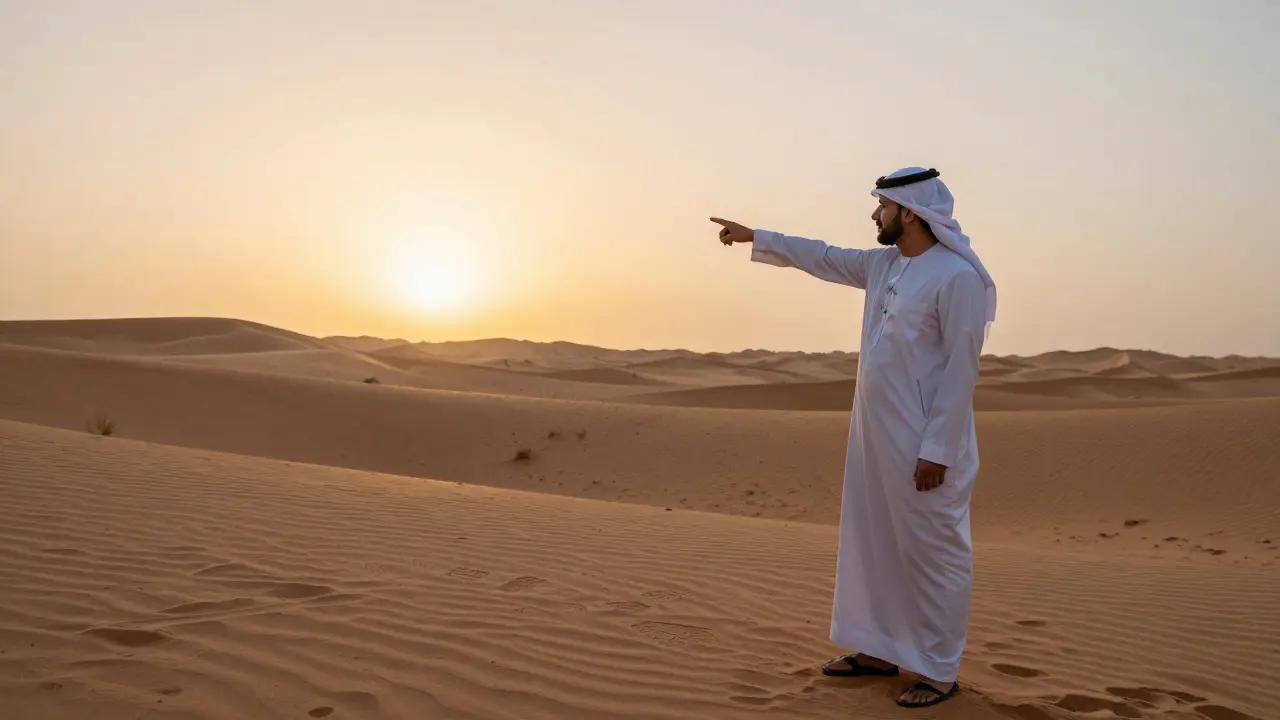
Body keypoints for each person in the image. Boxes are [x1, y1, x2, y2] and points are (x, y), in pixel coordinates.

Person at [711, 167, 996, 709]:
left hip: (925, 444)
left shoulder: (956, 278)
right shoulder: (884, 264)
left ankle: (938, 671)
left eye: (881, 206)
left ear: (908, 212)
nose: (874, 216)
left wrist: (936, 449)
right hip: (873, 436)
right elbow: (821, 255)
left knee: (933, 552)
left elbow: (962, 371)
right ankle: (876, 649)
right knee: (871, 541)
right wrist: (758, 236)